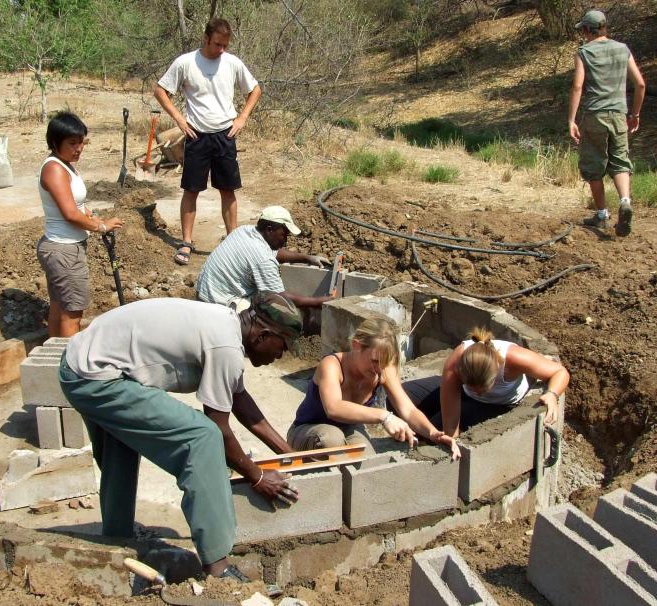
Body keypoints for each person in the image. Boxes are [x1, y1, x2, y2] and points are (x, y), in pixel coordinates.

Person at [58, 292, 304, 581]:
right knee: (202, 438)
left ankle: (116, 538)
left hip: (83, 363)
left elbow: (240, 402)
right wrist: (258, 477)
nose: (280, 356)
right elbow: (220, 431)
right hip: (96, 376)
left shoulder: (227, 327)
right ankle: (217, 565)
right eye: (282, 346)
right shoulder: (226, 346)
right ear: (263, 335)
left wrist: (291, 455)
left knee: (120, 448)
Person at [154, 18, 262, 265]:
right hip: (196, 135)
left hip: (225, 134)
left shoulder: (232, 63)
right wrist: (179, 119)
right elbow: (160, 90)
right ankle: (186, 243)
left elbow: (254, 89)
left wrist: (242, 117)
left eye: (225, 45)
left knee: (228, 190)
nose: (221, 50)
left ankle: (232, 242)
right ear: (206, 39)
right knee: (191, 189)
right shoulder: (185, 63)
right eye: (217, 44)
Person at [287, 317, 456, 457]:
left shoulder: (382, 368)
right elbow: (333, 408)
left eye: (384, 362)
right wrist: (384, 416)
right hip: (308, 430)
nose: (378, 369)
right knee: (332, 441)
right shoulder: (332, 365)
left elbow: (408, 410)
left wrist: (434, 434)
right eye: (374, 361)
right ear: (356, 345)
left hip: (348, 428)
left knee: (366, 461)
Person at [403, 327, 569, 459]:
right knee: (402, 397)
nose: (479, 392)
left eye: (483, 388)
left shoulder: (515, 359)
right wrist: (451, 437)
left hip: (498, 404)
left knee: (433, 427)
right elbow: (450, 403)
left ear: (495, 373)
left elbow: (560, 372)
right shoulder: (457, 362)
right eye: (471, 385)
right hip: (464, 395)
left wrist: (552, 394)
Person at [37, 112, 124, 337]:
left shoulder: (66, 165)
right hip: (64, 250)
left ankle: (55, 362)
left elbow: (78, 205)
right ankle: (69, 365)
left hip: (64, 247)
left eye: (81, 142)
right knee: (72, 313)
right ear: (55, 142)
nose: (79, 148)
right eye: (72, 143)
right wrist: (100, 228)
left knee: (59, 306)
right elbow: (69, 213)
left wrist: (96, 218)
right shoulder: (54, 169)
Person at [567, 9, 646, 237]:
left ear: (585, 30)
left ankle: (601, 215)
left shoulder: (584, 52)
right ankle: (625, 201)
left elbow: (578, 87)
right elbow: (640, 84)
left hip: (594, 116)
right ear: (604, 27)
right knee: (620, 161)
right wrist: (635, 114)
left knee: (593, 166)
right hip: (619, 115)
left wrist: (571, 119)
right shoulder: (623, 49)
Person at [196, 205, 333, 311]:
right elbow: (280, 298)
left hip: (203, 294)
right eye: (284, 234)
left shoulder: (244, 231)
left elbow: (276, 253)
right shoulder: (263, 257)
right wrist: (318, 302)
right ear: (269, 229)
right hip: (218, 306)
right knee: (274, 316)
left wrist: (308, 258)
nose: (285, 240)